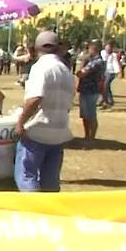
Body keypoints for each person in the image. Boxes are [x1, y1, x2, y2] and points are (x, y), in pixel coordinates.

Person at [13, 32, 74, 192]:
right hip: (59, 130)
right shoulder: (65, 70)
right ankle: (50, 212)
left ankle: (33, 210)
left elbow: (35, 98)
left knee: (26, 175)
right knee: (51, 179)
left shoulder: (41, 67)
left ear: (37, 48)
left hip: (38, 130)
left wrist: (20, 122)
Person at [76, 40, 105, 143]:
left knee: (91, 115)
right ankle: (87, 136)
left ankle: (91, 137)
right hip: (84, 89)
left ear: (94, 49)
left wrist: (83, 62)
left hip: (91, 91)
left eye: (89, 49)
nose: (88, 51)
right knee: (85, 115)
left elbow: (81, 73)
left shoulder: (97, 62)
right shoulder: (91, 60)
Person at [99, 42, 120, 108]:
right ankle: (109, 100)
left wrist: (117, 71)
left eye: (109, 48)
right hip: (103, 72)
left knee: (106, 85)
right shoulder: (102, 53)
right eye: (107, 47)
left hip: (111, 72)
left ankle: (106, 101)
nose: (108, 49)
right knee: (106, 87)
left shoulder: (114, 55)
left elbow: (115, 63)